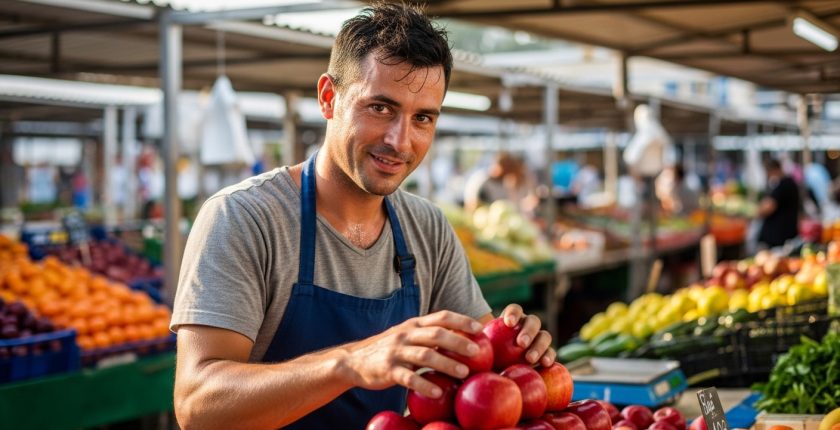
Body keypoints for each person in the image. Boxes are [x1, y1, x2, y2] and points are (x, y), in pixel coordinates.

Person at [171, 4, 555, 430]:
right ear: (328, 98)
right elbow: (197, 406)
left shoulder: (425, 229)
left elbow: (482, 357)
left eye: (423, 118)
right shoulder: (245, 218)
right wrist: (351, 363)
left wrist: (517, 348)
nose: (399, 140)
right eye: (380, 108)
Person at [757, 159, 800, 248]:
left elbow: (769, 207)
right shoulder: (788, 183)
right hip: (784, 235)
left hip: (780, 237)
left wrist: (757, 211)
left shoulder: (783, 185)